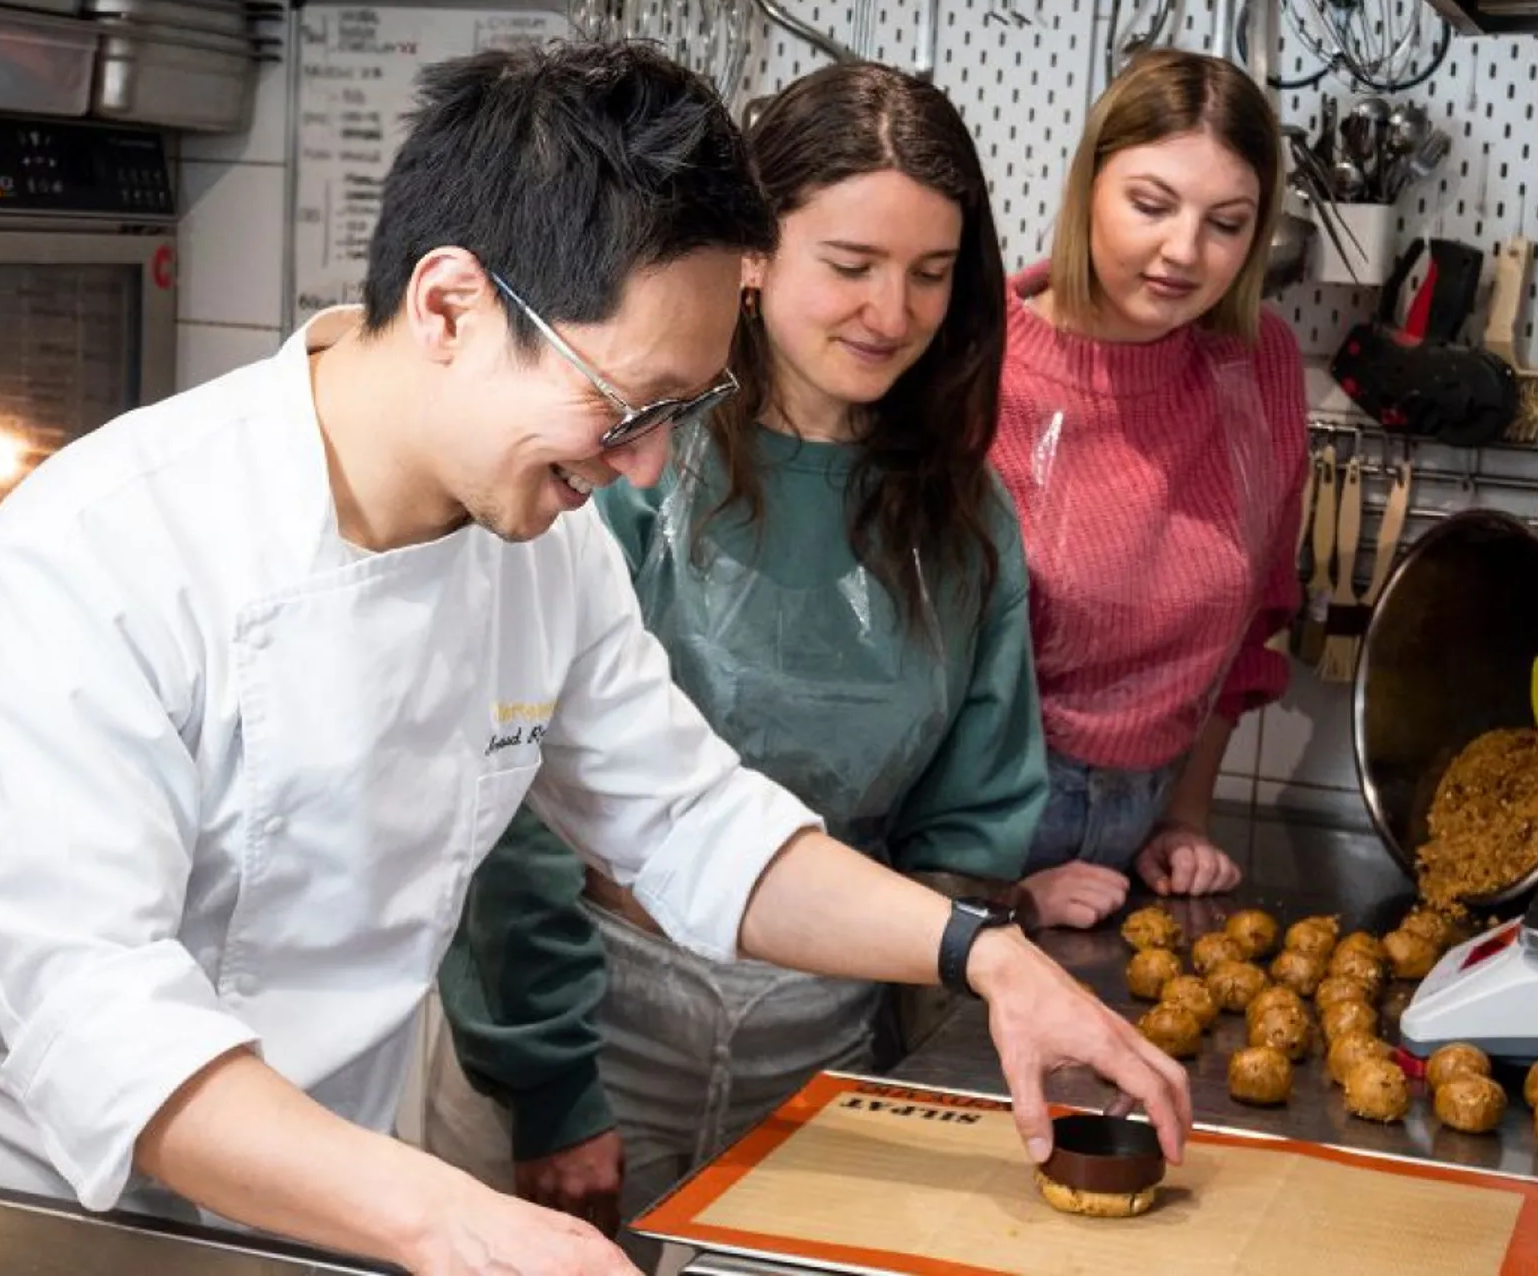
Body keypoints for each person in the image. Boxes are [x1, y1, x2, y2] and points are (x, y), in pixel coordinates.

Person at [0, 42, 1190, 1276]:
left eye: (678, 412)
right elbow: (103, 1021)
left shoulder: (535, 543)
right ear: (452, 305)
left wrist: (984, 952)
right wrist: (447, 1218)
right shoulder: (94, 552)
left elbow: (689, 819)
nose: (642, 466)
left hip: (330, 1192)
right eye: (624, 404)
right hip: (44, 1214)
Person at [426, 61, 1068, 1264]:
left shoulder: (963, 515)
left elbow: (971, 819)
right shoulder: (617, 460)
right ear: (755, 252)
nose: (893, 311)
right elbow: (514, 803)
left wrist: (942, 1045)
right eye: (854, 265)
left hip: (826, 1031)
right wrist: (553, 1077)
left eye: (931, 275)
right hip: (589, 1008)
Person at [990, 49, 1308, 924]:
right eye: (1151, 205)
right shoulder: (974, 362)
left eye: (1226, 223)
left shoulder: (1256, 366)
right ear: (1087, 186)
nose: (1184, 253)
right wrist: (993, 892)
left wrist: (1182, 817)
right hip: (966, 841)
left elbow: (1250, 626)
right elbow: (912, 673)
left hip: (1134, 852)